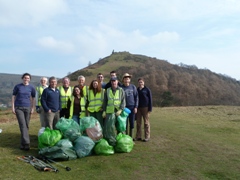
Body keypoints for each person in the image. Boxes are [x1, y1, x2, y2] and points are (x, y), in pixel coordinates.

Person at [11, 73, 36, 151]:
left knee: (26, 126)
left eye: (28, 78)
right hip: (19, 108)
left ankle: (22, 144)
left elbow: (33, 98)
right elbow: (13, 96)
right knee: (22, 125)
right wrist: (13, 107)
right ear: (22, 78)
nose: (26, 79)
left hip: (27, 107)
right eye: (25, 78)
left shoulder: (31, 87)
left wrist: (33, 108)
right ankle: (27, 143)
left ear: (29, 79)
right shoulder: (18, 86)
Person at [102, 76, 125, 146]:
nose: (113, 82)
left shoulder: (121, 90)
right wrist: (104, 111)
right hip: (110, 112)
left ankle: (122, 141)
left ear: (117, 81)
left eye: (114, 81)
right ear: (111, 82)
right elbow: (105, 101)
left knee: (121, 127)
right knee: (110, 128)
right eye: (112, 81)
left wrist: (121, 109)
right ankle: (112, 142)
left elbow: (123, 101)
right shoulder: (107, 90)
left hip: (119, 112)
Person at [135, 78, 152, 142]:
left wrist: (150, 108)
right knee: (138, 123)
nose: (140, 83)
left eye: (141, 82)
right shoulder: (136, 90)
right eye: (139, 82)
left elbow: (150, 99)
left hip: (145, 108)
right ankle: (138, 136)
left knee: (146, 123)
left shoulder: (147, 90)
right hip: (138, 108)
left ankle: (147, 137)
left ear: (144, 83)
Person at [121, 73, 138, 137]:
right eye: (125, 78)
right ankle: (126, 137)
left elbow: (136, 97)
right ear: (123, 80)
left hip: (132, 107)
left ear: (129, 80)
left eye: (128, 78)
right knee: (124, 123)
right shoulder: (121, 88)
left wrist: (136, 107)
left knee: (132, 123)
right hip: (124, 108)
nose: (126, 80)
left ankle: (131, 137)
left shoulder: (133, 87)